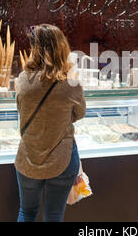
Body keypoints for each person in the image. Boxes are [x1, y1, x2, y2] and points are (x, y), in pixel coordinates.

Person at [15, 24, 86, 222]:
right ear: (62, 48)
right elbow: (80, 113)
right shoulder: (71, 83)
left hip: (29, 156)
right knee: (54, 215)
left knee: (27, 212)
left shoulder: (22, 79)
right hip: (62, 159)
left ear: (34, 49)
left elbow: (21, 110)